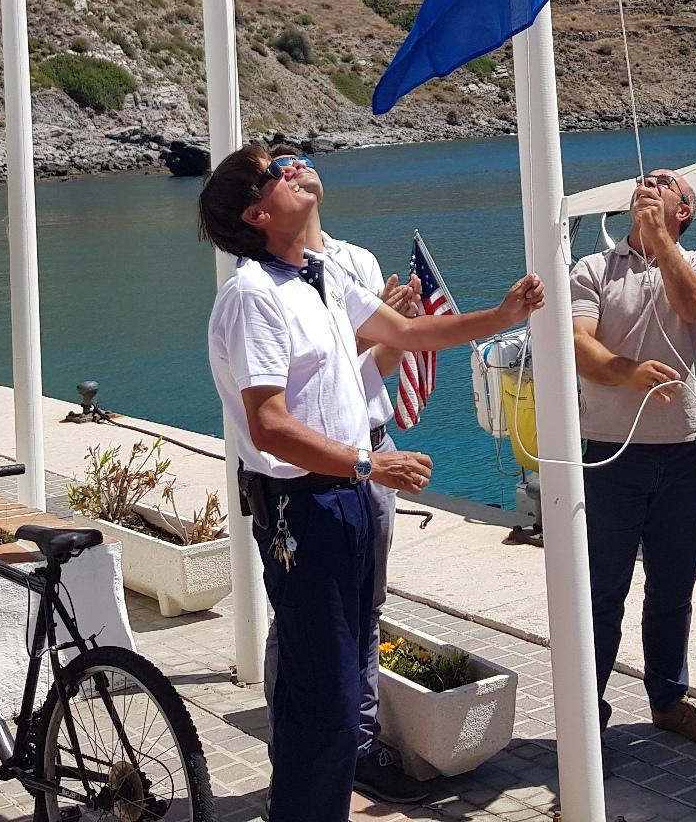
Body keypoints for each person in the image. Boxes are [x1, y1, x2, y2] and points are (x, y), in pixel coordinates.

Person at [201, 144, 544, 822]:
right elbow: (268, 426)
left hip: (345, 497)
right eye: (275, 171)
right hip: (305, 506)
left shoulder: (321, 275)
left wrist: (502, 317)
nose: (293, 167)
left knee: (343, 673)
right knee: (322, 695)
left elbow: (409, 333)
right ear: (257, 214)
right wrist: (369, 463)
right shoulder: (252, 296)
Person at [256, 145, 427, 804]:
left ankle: (356, 742)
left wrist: (397, 331)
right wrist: (369, 331)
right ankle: (296, 750)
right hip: (313, 472)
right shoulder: (263, 281)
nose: (296, 170)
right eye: (279, 167)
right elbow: (299, 377)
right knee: (303, 617)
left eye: (300, 160)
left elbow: (372, 368)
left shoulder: (356, 261)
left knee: (366, 607)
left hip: (372, 455)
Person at [570, 168, 696, 746]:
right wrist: (628, 373)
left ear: (684, 211)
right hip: (611, 452)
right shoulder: (592, 269)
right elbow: (577, 344)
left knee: (673, 587)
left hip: (682, 452)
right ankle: (588, 713)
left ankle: (669, 700)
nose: (650, 182)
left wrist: (660, 242)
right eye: (645, 179)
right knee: (601, 590)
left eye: (665, 183)